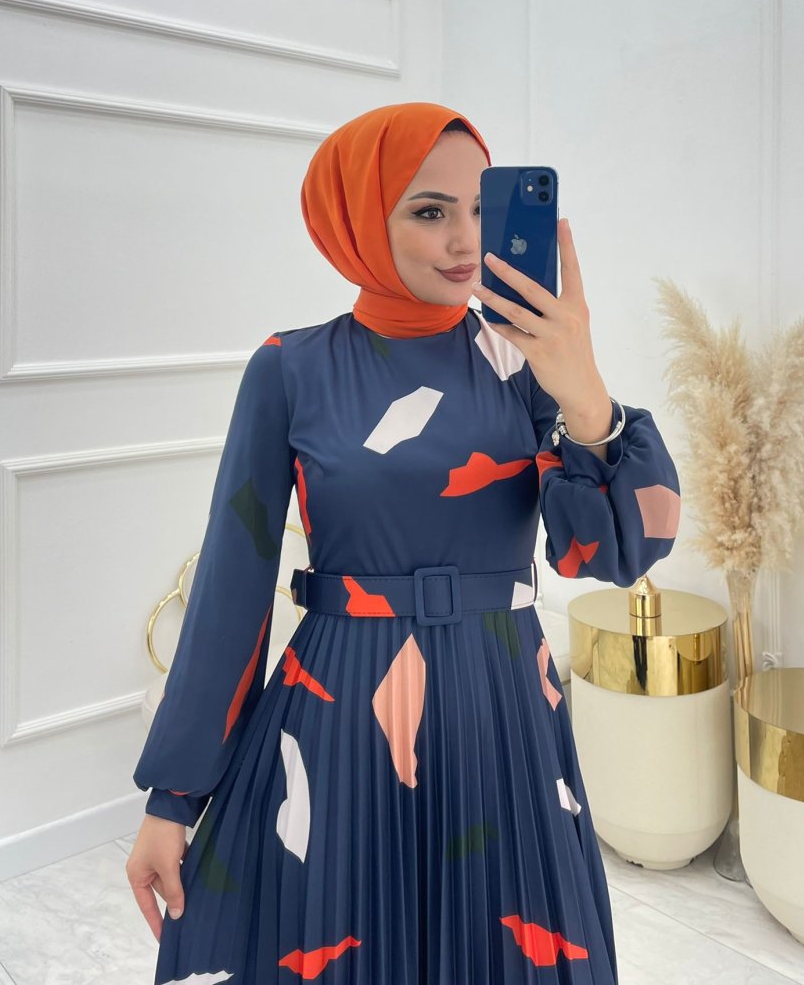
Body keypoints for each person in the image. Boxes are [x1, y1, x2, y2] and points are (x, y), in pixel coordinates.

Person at [125, 102, 681, 984]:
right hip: (339, 716)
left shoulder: (525, 364)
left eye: (479, 210)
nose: (465, 240)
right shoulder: (290, 368)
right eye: (430, 210)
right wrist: (172, 797)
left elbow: (613, 555)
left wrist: (584, 391)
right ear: (358, 218)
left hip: (503, 717)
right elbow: (233, 586)